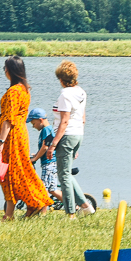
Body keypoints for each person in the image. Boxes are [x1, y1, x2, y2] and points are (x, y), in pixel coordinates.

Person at [0, 56, 53, 221]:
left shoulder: (14, 91)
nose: (4, 72)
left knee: (11, 173)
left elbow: (8, 119)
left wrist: (1, 142)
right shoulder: (25, 89)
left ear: (10, 71)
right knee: (18, 171)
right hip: (21, 133)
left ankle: (33, 203)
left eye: (5, 69)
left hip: (12, 135)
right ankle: (23, 208)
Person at [47, 60, 95, 219]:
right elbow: (82, 117)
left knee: (63, 176)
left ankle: (71, 214)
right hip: (77, 134)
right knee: (66, 173)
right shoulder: (81, 92)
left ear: (61, 79)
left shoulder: (65, 94)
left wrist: (53, 145)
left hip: (66, 136)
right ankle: (86, 206)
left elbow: (64, 121)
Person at [28, 108, 62, 201]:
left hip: (49, 163)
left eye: (33, 123)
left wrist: (34, 159)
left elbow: (45, 147)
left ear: (40, 120)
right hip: (50, 162)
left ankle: (42, 213)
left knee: (44, 189)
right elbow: (44, 148)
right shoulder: (48, 129)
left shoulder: (46, 130)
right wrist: (37, 155)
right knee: (52, 190)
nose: (33, 126)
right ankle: (73, 206)